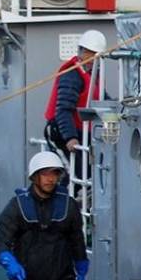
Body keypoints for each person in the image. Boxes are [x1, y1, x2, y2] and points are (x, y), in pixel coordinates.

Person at [0, 151, 87, 280]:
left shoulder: (68, 206)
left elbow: (77, 240)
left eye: (54, 174)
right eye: (45, 174)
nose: (50, 179)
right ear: (35, 177)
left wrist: (81, 269)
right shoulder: (18, 206)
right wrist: (8, 261)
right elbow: (1, 238)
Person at [44, 30, 106, 179]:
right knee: (75, 175)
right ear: (81, 52)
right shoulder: (72, 75)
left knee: (85, 173)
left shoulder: (91, 74)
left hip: (81, 132)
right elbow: (63, 110)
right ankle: (69, 200)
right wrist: (70, 137)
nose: (91, 58)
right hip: (61, 132)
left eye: (95, 54)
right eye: (88, 53)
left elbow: (102, 98)